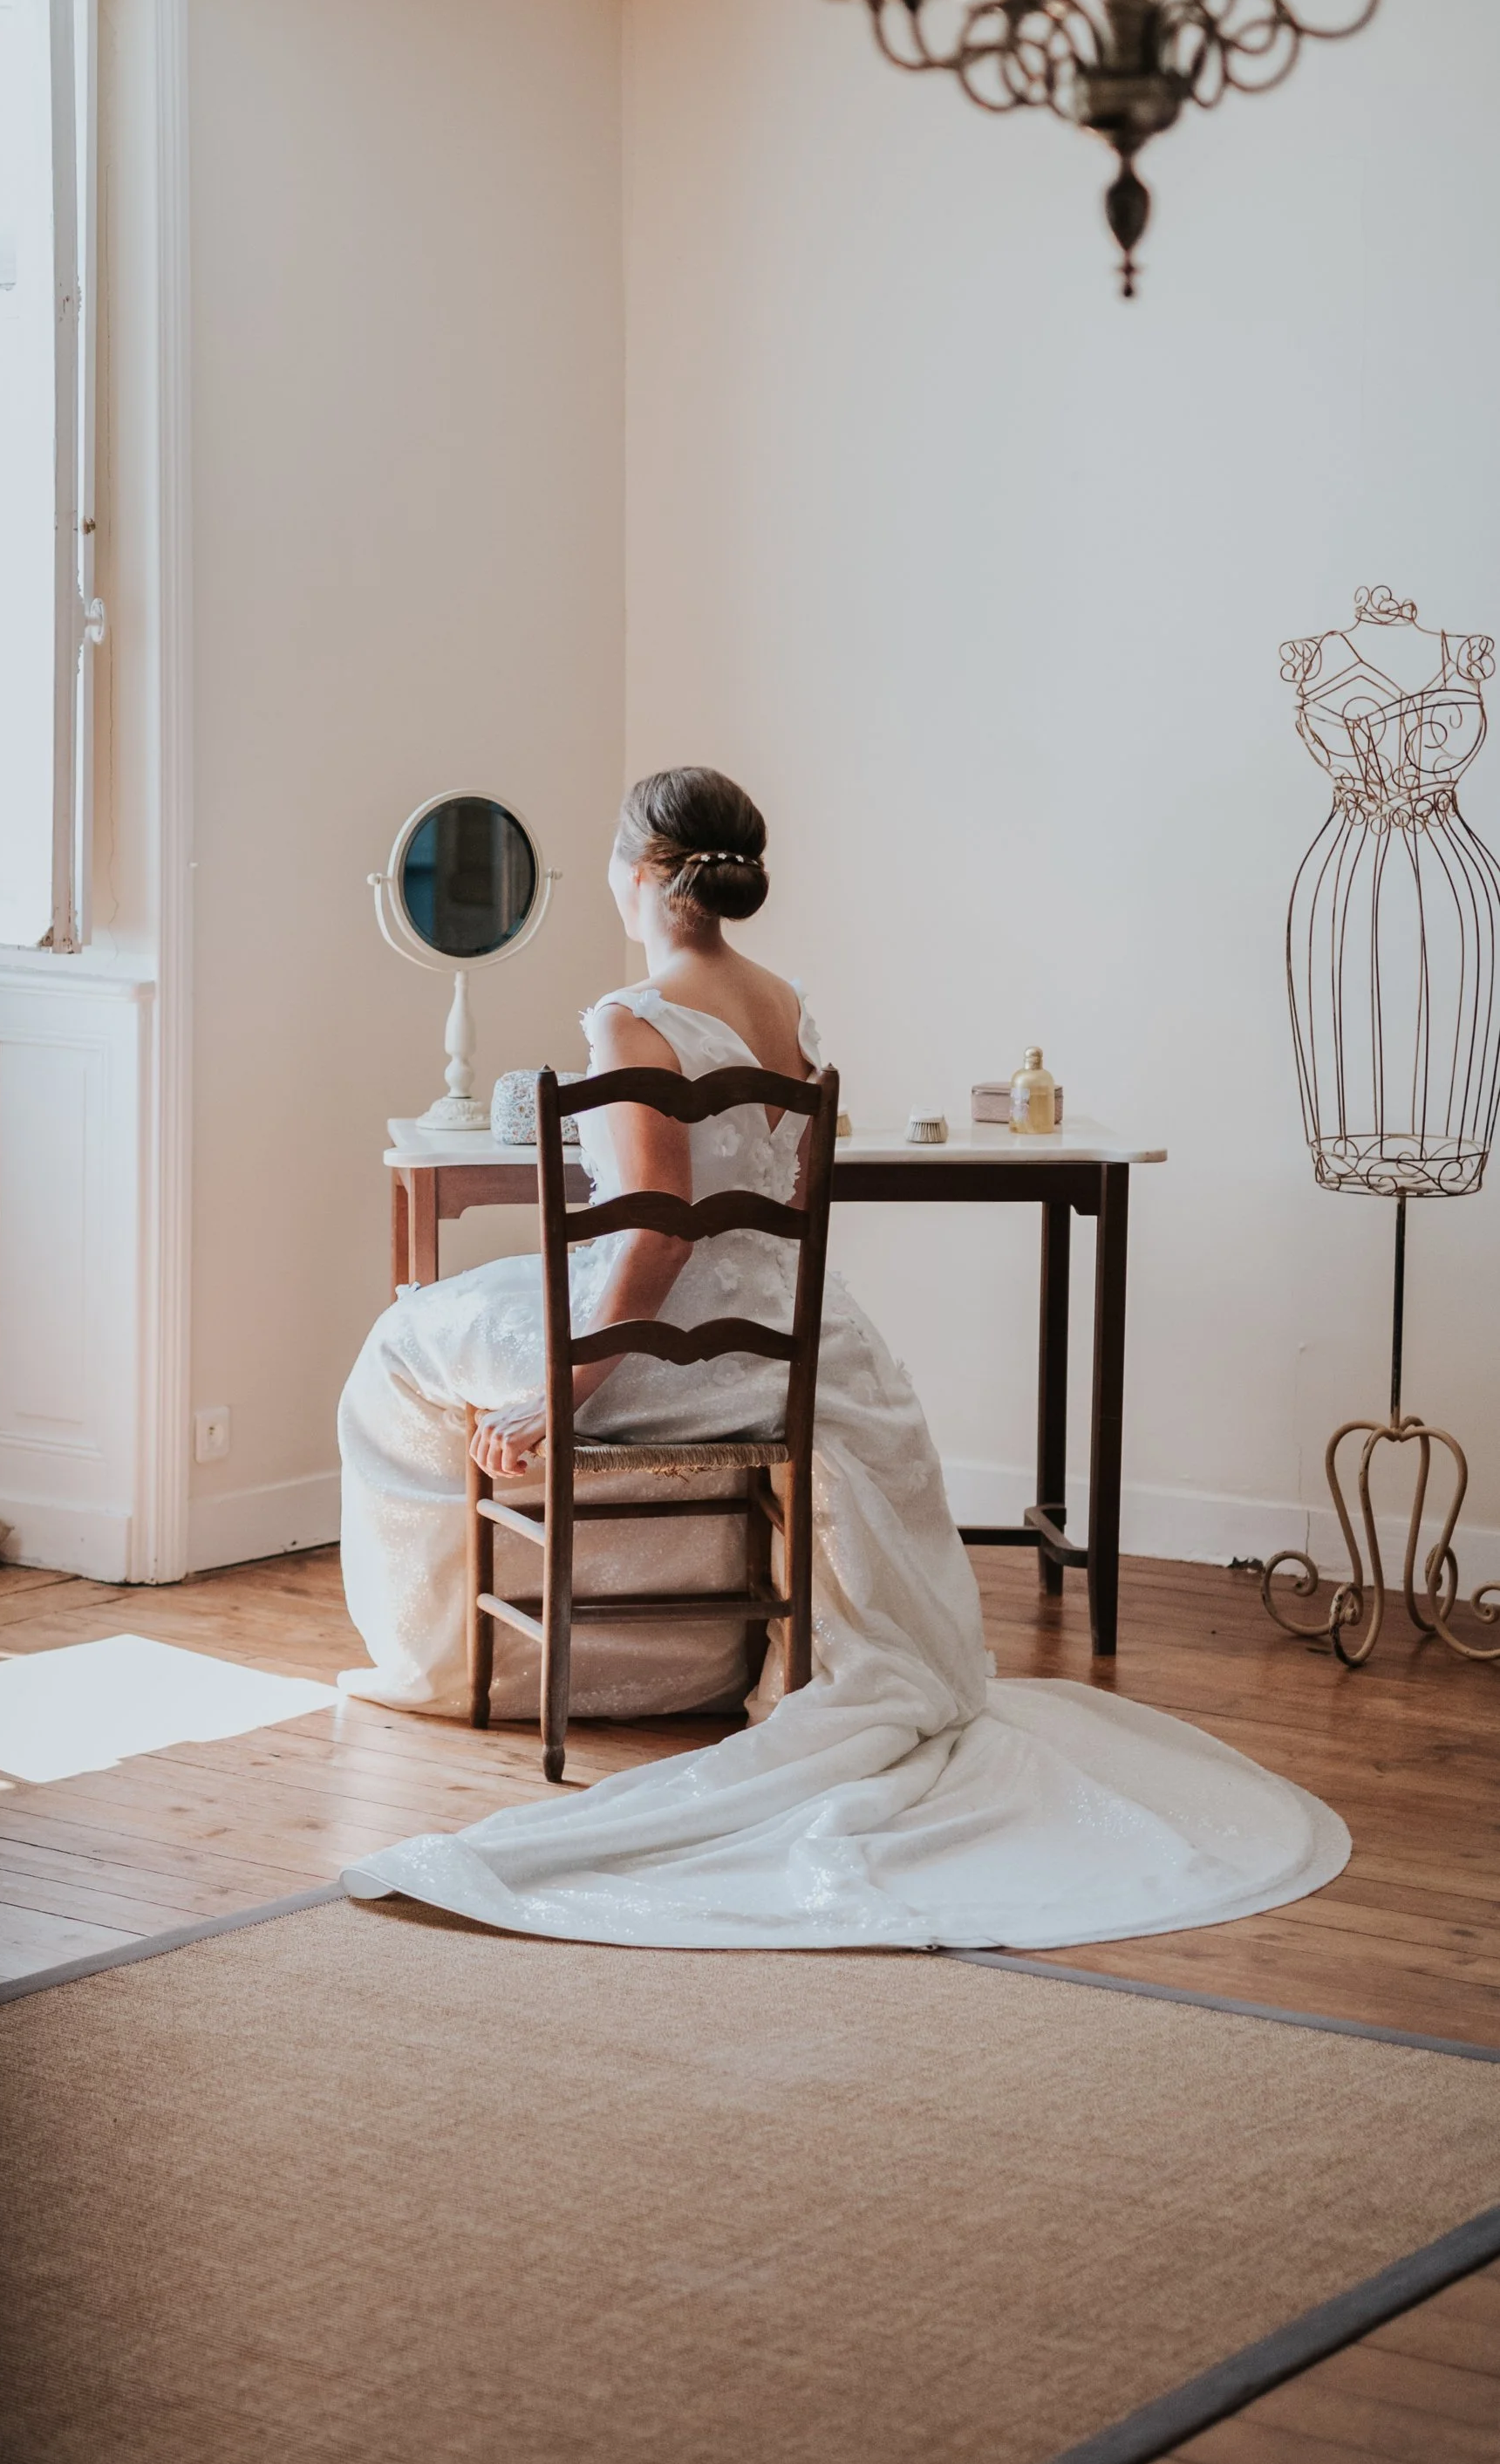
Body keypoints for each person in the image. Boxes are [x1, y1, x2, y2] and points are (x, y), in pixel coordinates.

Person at [334, 766, 1347, 1949]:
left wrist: (567, 1394)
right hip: (797, 1342)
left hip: (674, 1350)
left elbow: (659, 1233)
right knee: (466, 1321)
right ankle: (664, 1653)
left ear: (646, 870)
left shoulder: (630, 1017)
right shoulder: (788, 1004)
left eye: (614, 854)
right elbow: (787, 1200)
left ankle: (452, 1661)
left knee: (406, 1340)